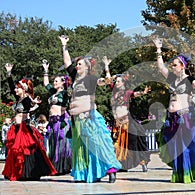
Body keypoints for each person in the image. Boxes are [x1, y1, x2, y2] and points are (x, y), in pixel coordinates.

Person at [152, 38, 195, 183]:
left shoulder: (190, 79)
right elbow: (160, 68)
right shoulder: (171, 79)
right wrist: (158, 49)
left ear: (182, 66)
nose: (172, 67)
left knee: (194, 145)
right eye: (172, 65)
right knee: (175, 146)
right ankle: (183, 171)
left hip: (186, 117)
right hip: (172, 118)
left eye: (175, 65)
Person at [59, 35, 121, 183]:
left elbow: (105, 81)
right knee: (81, 148)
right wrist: (64, 46)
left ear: (87, 66)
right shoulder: (75, 78)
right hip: (76, 119)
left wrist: (107, 69)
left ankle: (110, 169)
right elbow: (67, 62)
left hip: (88, 117)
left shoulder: (91, 78)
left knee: (97, 144)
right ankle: (86, 173)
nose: (77, 66)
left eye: (80, 64)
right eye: (77, 64)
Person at [2, 63, 56, 181]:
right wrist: (9, 73)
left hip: (24, 128)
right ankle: (16, 172)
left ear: (24, 88)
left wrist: (34, 103)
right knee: (15, 150)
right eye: (16, 88)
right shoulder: (19, 99)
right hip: (16, 128)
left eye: (18, 88)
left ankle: (28, 172)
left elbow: (29, 105)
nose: (15, 89)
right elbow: (11, 87)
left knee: (26, 150)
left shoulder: (26, 98)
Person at [100, 56, 151, 172]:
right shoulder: (114, 92)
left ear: (123, 83)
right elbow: (108, 80)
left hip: (126, 122)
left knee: (131, 144)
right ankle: (121, 164)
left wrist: (143, 92)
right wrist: (107, 66)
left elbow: (135, 94)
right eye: (116, 81)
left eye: (118, 81)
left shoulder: (126, 93)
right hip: (117, 123)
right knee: (117, 145)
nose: (116, 83)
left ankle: (142, 162)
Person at [42, 59, 73, 175]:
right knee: (53, 144)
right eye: (54, 81)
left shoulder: (65, 93)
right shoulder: (52, 93)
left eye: (56, 81)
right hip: (52, 121)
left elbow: (71, 90)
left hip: (61, 121)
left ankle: (62, 167)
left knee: (61, 144)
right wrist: (45, 70)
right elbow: (46, 84)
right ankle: (54, 166)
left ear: (62, 83)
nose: (54, 83)